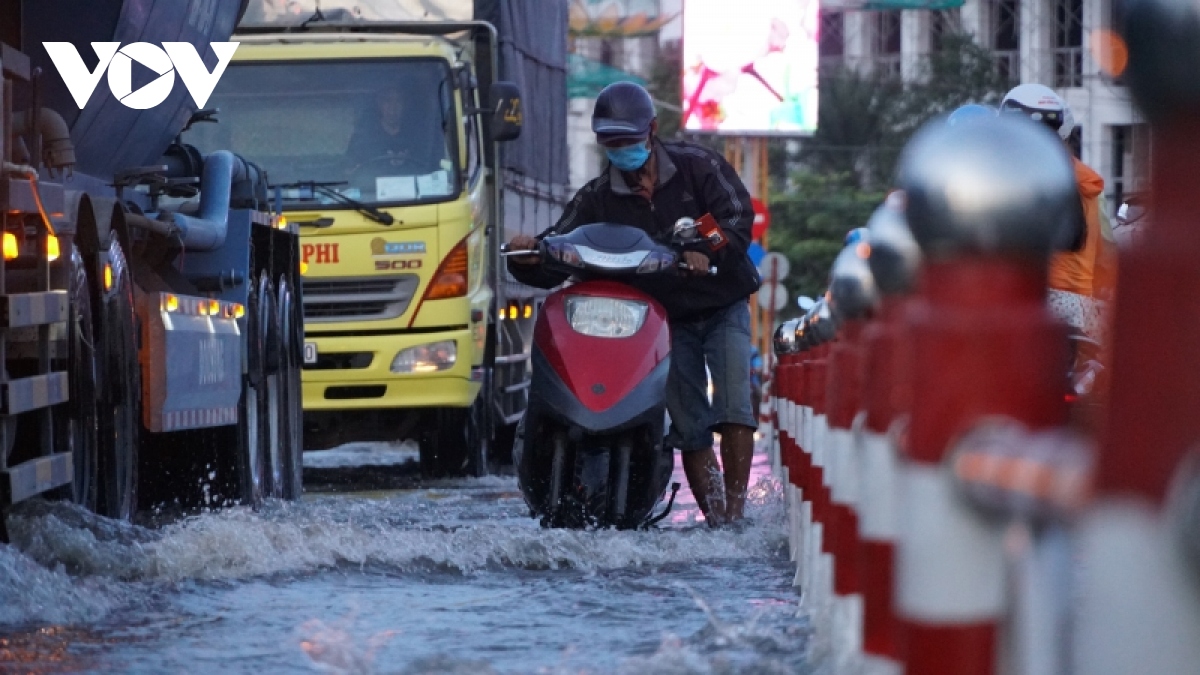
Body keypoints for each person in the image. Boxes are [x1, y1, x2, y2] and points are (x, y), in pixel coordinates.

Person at [507, 82, 762, 526]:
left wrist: (707, 248)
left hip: (723, 305)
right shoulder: (598, 197)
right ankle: (717, 522)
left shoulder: (698, 168)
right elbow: (560, 246)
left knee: (734, 410)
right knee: (689, 428)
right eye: (611, 143)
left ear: (652, 130)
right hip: (664, 320)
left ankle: (736, 516)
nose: (621, 150)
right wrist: (531, 255)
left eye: (628, 140)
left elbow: (737, 220)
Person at [999, 83, 1119, 388]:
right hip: (1084, 316)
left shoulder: (1005, 180)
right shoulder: (1089, 186)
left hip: (1026, 306)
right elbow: (1107, 258)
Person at [346, 87, 446, 175]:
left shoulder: (419, 137)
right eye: (388, 101)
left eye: (398, 101)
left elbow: (432, 168)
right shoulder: (364, 138)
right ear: (379, 104)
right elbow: (350, 170)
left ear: (404, 105)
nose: (393, 107)